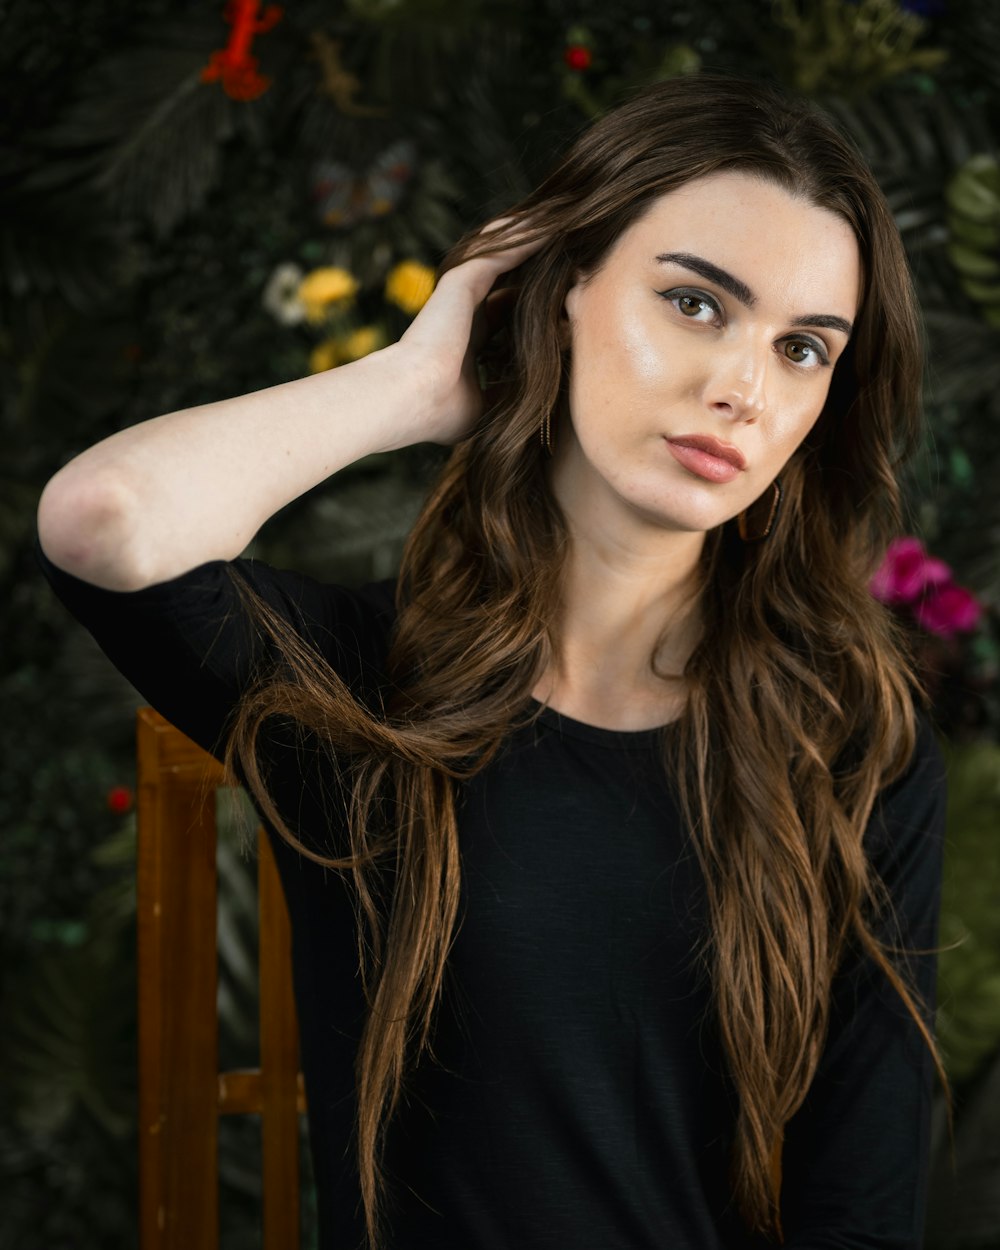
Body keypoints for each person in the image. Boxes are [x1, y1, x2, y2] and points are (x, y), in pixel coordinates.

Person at [36, 73, 950, 1249]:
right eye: (692, 303)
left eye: (805, 348)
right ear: (561, 289)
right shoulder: (361, 687)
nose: (743, 389)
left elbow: (859, 1211)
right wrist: (414, 384)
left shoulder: (850, 742)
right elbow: (105, 519)